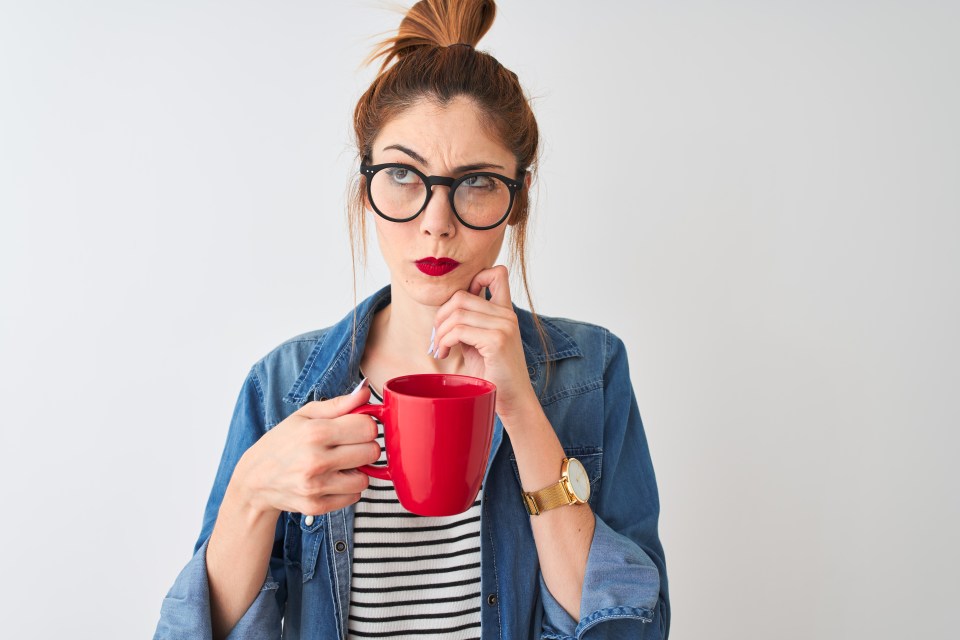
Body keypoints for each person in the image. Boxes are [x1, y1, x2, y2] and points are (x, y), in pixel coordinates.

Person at [153, 1, 669, 638]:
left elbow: (630, 629)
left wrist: (522, 409)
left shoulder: (590, 372)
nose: (435, 221)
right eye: (402, 174)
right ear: (362, 187)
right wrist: (252, 493)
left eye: (476, 181)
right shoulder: (285, 384)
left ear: (519, 199)